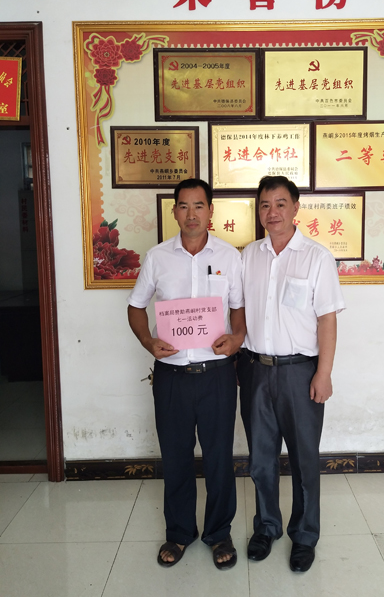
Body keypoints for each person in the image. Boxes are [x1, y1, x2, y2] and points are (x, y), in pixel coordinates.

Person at [127, 178, 245, 570]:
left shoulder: (229, 256)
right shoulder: (158, 257)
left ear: (211, 211)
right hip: (172, 376)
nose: (191, 214)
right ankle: (179, 532)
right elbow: (136, 306)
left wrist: (237, 338)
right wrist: (148, 341)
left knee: (218, 458)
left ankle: (219, 533)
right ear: (174, 211)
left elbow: (238, 309)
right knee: (176, 457)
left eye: (198, 205)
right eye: (183, 206)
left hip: (217, 375)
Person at [239, 175, 345, 573]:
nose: (273, 212)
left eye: (280, 204)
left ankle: (304, 535)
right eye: (265, 205)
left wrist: (324, 373)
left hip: (301, 373)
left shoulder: (316, 257)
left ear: (296, 207)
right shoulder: (248, 256)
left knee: (304, 460)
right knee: (261, 459)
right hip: (255, 370)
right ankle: (267, 527)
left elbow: (327, 319)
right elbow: (236, 309)